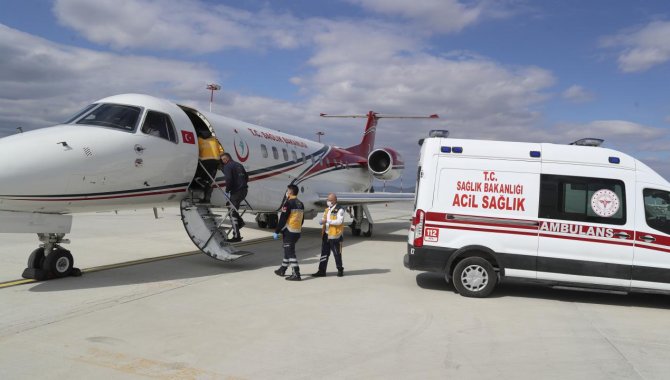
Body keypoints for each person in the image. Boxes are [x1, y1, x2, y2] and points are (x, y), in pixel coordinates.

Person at [272, 185, 304, 281]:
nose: (286, 192)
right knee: (287, 251)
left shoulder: (288, 203)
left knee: (290, 253)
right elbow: (302, 219)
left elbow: (282, 219)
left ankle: (296, 273)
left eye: (287, 190)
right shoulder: (300, 203)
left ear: (290, 192)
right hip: (297, 231)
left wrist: (277, 231)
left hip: (289, 231)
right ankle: (282, 269)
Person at [312, 193, 345, 277]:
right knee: (324, 254)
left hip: (335, 236)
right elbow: (324, 218)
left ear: (334, 200)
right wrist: (321, 221)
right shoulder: (327, 209)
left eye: (330, 200)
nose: (328, 201)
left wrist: (327, 221)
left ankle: (340, 269)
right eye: (328, 200)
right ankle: (321, 271)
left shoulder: (340, 210)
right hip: (326, 234)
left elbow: (339, 222)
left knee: (337, 254)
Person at [221, 152, 249, 242]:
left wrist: (227, 190)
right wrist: (241, 184)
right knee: (232, 208)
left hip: (236, 192)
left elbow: (229, 179)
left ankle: (236, 236)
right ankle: (240, 222)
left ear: (226, 159)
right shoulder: (239, 165)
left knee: (231, 212)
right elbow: (247, 177)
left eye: (223, 160)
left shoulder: (227, 166)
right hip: (244, 191)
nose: (223, 161)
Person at [196, 130, 224, 203]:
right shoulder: (214, 139)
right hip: (215, 161)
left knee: (198, 177)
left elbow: (196, 149)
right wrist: (221, 162)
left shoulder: (198, 139)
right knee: (210, 179)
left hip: (204, 160)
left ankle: (204, 185)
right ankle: (207, 198)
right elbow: (221, 151)